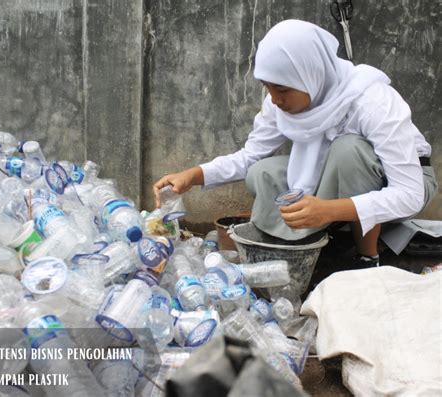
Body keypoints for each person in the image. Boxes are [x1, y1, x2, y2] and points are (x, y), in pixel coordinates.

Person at [153, 20, 438, 268]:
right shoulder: (280, 100)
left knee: (348, 150)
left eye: (282, 89)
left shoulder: (372, 101)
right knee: (261, 173)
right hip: (331, 172)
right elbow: (250, 157)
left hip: (404, 181)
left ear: (310, 74)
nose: (275, 99)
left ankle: (366, 257)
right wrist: (193, 175)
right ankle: (309, 242)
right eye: (268, 87)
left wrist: (330, 210)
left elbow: (409, 193)